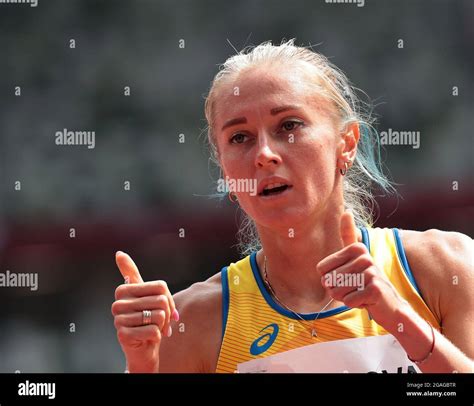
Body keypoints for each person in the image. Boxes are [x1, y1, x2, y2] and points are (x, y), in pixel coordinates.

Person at [111, 40, 473, 373]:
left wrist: (397, 317)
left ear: (346, 143)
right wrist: (143, 368)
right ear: (224, 168)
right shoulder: (192, 321)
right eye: (240, 137)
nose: (265, 155)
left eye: (289, 126)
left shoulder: (445, 268)